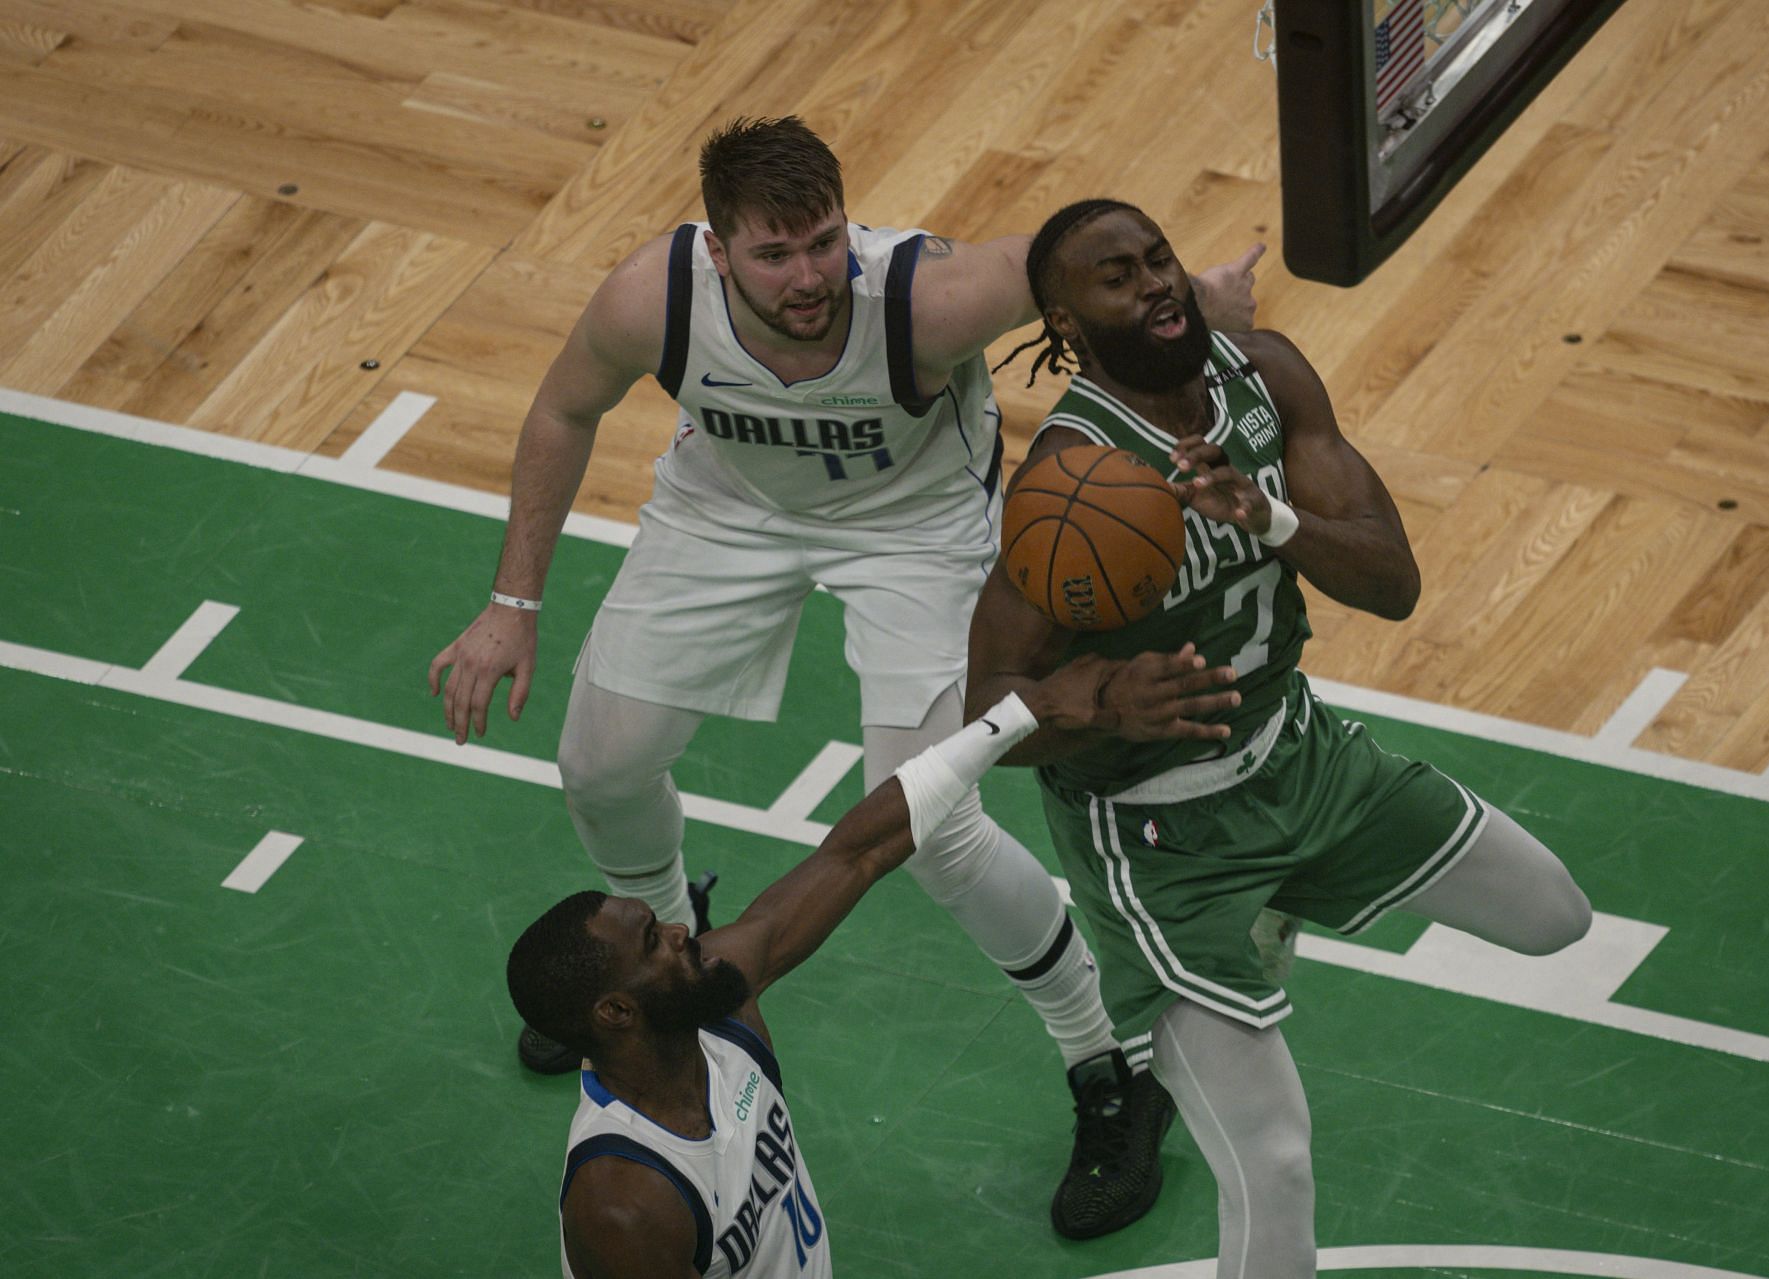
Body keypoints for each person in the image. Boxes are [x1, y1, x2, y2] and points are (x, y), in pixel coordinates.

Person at [429, 116, 1261, 1236]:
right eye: (774, 255)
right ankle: (684, 975)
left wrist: (1194, 300)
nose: (808, 275)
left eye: (823, 242)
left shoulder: (924, 302)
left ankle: (1109, 1064)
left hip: (915, 530)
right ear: (718, 251)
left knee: (938, 828)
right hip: (727, 511)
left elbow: (1074, 252)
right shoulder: (653, 297)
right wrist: (510, 606)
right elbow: (564, 408)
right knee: (602, 762)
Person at [965, 199, 1595, 1279]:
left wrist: (1273, 521)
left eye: (1159, 258)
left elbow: (1394, 585)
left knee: (1555, 917)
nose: (1155, 282)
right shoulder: (1070, 485)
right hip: (1164, 842)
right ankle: (1223, 955)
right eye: (1118, 278)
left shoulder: (1267, 375)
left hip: (1302, 756)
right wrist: (1106, 703)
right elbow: (986, 715)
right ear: (1066, 322)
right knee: (1275, 1159)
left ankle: (1280, 907)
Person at [507, 662, 1241, 1278]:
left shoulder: (721, 1005)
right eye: (652, 942)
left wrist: (1024, 711)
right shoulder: (624, 1202)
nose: (679, 927)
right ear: (614, 1013)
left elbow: (858, 849)